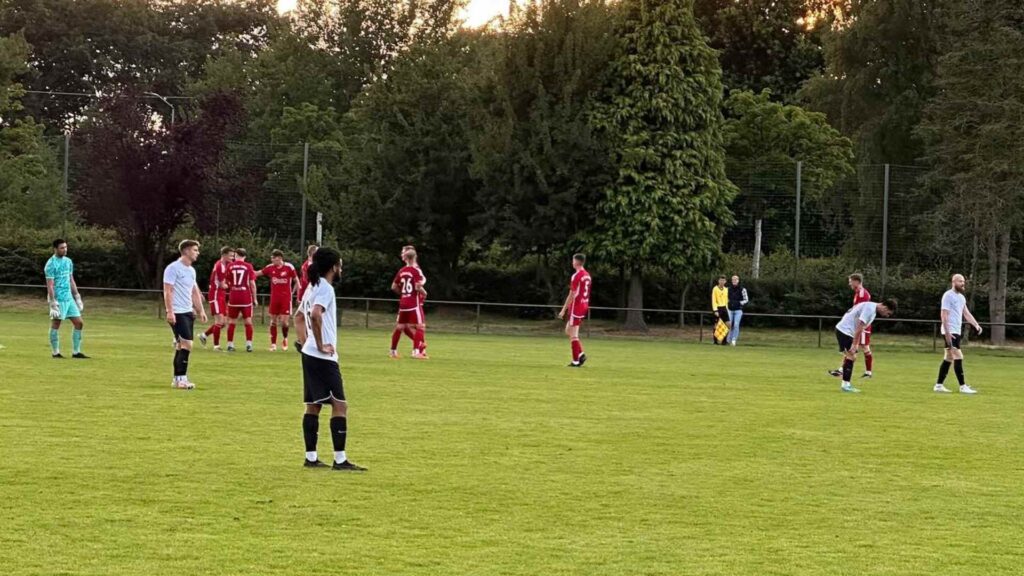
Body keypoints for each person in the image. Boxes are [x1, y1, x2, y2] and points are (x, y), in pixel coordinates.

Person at [294, 247, 366, 471]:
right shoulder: (325, 288)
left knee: (313, 405)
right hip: (322, 357)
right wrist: (319, 344)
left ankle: (311, 457)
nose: (341, 269)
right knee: (340, 405)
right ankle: (340, 460)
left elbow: (298, 317)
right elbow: (315, 314)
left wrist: (305, 343)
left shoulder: (311, 287)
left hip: (309, 355)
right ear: (334, 267)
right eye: (340, 265)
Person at [163, 240, 208, 389]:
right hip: (178, 312)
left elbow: (194, 292)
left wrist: (201, 310)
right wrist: (170, 311)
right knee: (187, 344)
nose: (197, 253)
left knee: (180, 345)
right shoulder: (173, 268)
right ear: (186, 251)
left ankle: (177, 379)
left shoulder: (191, 270)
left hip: (188, 312)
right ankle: (182, 379)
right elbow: (168, 291)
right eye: (195, 250)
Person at [828, 299, 896, 393]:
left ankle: (844, 381)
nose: (887, 316)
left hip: (845, 331)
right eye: (888, 313)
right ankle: (845, 386)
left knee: (851, 356)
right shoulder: (870, 309)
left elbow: (860, 326)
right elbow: (860, 327)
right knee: (851, 356)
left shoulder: (871, 308)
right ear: (885, 307)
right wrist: (855, 344)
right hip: (845, 331)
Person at [934, 274, 982, 394]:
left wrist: (976, 325)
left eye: (963, 281)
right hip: (950, 331)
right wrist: (947, 333)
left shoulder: (961, 298)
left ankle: (938, 385)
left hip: (956, 331)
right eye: (960, 281)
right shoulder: (948, 295)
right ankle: (962, 386)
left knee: (948, 358)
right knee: (958, 356)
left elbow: (966, 313)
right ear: (953, 282)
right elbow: (944, 315)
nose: (963, 283)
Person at [44, 239, 88, 358]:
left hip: (69, 298)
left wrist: (77, 296)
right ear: (55, 249)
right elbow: (50, 285)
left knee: (79, 323)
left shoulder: (68, 261)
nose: (65, 250)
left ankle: (76, 352)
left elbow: (71, 279)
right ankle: (55, 353)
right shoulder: (50, 264)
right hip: (59, 299)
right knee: (56, 324)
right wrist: (53, 302)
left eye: (66, 247)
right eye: (62, 248)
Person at [256, 249, 299, 351]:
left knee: (284, 322)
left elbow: (297, 281)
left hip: (285, 299)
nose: (271, 260)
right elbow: (258, 273)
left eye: (273, 258)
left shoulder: (289, 267)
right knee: (273, 321)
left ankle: (285, 338)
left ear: (279, 258)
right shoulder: (270, 267)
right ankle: (273, 344)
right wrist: (248, 270)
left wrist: (293, 293)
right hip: (274, 298)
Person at [390, 248, 428, 359]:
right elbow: (418, 286)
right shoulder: (416, 270)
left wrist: (403, 294)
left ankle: (393, 352)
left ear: (406, 258)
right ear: (415, 257)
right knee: (420, 326)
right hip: (413, 303)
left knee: (400, 327)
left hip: (403, 302)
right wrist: (425, 293)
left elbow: (393, 287)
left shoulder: (402, 270)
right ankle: (417, 352)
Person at [558, 253, 591, 367]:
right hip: (583, 305)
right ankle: (581, 354)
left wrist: (563, 310)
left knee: (573, 334)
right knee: (568, 330)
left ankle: (575, 361)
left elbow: (571, 295)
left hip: (576, 307)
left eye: (573, 260)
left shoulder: (576, 276)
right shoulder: (587, 275)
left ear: (576, 262)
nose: (572, 262)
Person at [199, 246, 234, 351]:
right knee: (219, 321)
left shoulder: (224, 265)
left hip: (221, 295)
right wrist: (232, 284)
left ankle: (204, 335)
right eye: (230, 256)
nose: (232, 258)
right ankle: (216, 346)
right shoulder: (220, 266)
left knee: (223, 323)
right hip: (215, 295)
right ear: (224, 255)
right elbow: (222, 285)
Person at [225, 247, 257, 352]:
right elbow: (252, 283)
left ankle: (230, 344)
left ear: (235, 255)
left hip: (234, 296)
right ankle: (249, 344)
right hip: (245, 296)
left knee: (232, 322)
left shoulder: (230, 266)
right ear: (245, 256)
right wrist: (255, 298)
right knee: (248, 321)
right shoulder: (248, 266)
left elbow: (227, 281)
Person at [726, 275, 749, 346]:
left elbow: (746, 300)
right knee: (729, 325)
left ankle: (734, 340)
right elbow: (725, 298)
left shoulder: (743, 289)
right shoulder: (727, 289)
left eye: (735, 279)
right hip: (730, 309)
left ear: (738, 280)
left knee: (736, 325)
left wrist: (739, 303)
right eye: (733, 279)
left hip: (738, 310)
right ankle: (728, 340)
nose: (734, 281)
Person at [711, 275, 731, 344]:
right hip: (718, 308)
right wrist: (715, 310)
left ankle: (724, 341)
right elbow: (713, 300)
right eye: (721, 280)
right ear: (718, 281)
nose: (722, 282)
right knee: (716, 325)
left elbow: (726, 300)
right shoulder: (715, 288)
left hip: (724, 308)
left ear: (725, 281)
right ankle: (715, 341)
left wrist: (727, 308)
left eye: (723, 280)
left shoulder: (726, 289)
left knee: (728, 324)